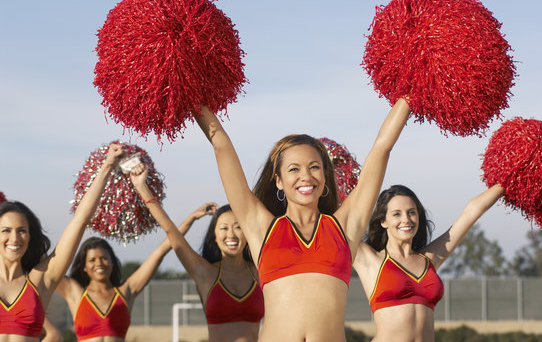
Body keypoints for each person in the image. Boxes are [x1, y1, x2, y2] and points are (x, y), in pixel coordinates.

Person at [193, 98, 410, 341]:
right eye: (294, 169)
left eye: (314, 167)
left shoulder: (345, 227)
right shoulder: (261, 228)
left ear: (326, 177)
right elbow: (221, 145)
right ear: (279, 181)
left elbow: (382, 148)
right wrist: (191, 94)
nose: (305, 176)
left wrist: (413, 93)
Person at [0, 143, 123, 342]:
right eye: (6, 230)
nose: (14, 238)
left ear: (30, 236)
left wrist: (107, 166)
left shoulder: (41, 280)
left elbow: (80, 220)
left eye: (22, 231)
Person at [353, 184, 505, 341]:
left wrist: (509, 179)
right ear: (383, 221)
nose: (406, 219)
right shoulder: (370, 260)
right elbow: (339, 221)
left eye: (411, 213)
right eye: (396, 214)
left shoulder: (430, 258)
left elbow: (471, 213)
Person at [130, 166, 264, 342]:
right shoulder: (205, 273)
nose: (231, 235)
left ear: (247, 234)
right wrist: (142, 187)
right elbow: (171, 232)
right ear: (215, 237)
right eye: (224, 228)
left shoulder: (260, 271)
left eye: (238, 227)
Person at [56, 202, 211, 342]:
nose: (99, 264)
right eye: (92, 260)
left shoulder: (126, 292)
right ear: (84, 266)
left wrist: (192, 218)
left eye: (104, 258)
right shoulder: (75, 293)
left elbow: (161, 250)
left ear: (112, 261)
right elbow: (47, 266)